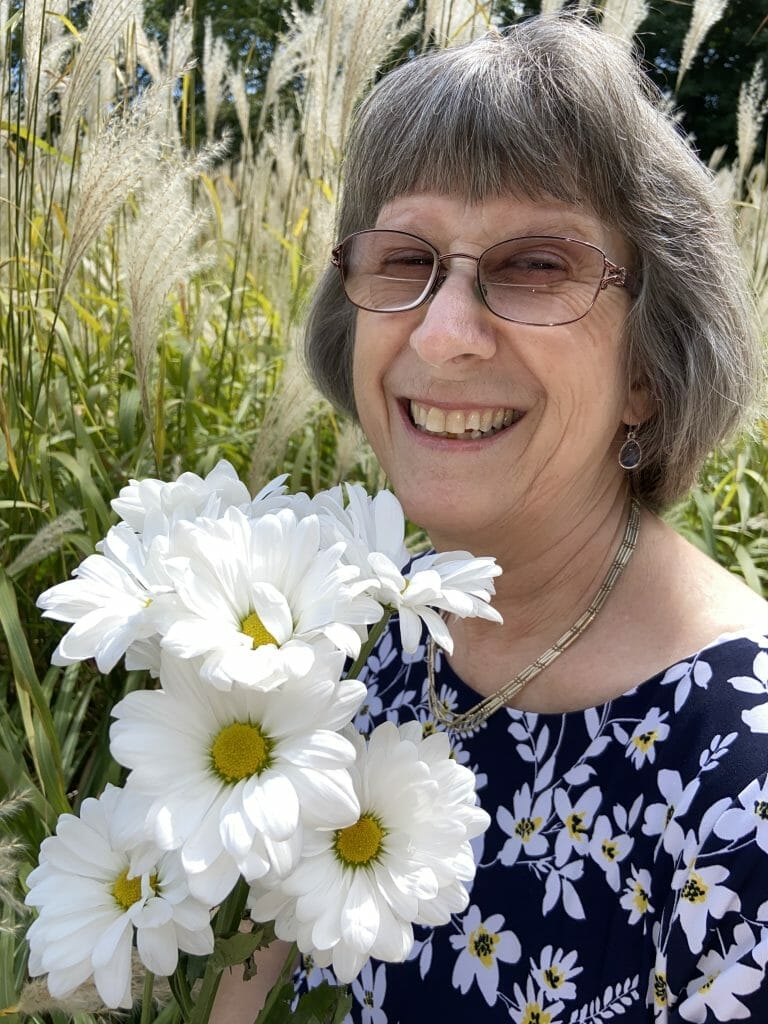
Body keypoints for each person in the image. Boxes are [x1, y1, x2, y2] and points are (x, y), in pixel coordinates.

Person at [216, 14, 768, 1022]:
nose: (444, 332)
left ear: (648, 367)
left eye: (536, 265)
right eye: (402, 259)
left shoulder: (741, 769)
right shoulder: (324, 640)